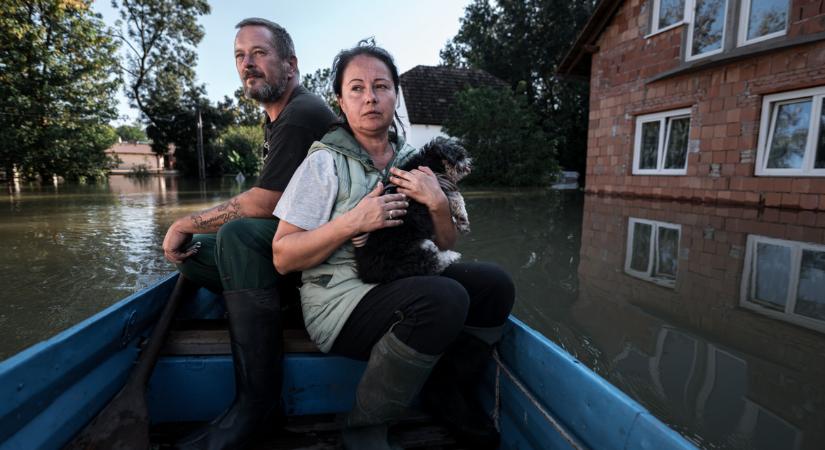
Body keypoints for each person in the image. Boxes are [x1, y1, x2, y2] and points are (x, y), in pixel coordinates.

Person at [271, 41, 515, 450]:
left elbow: (446, 241)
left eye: (381, 86)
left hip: (405, 276)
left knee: (495, 286)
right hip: (340, 301)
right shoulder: (324, 162)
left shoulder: (414, 160)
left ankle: (445, 390)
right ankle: (364, 427)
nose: (370, 97)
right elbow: (283, 256)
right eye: (357, 88)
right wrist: (354, 221)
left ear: (395, 96)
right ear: (341, 102)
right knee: (444, 298)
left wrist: (437, 201)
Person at [161, 18, 337, 449]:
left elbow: (264, 203)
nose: (247, 64)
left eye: (259, 53)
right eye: (240, 56)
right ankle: (270, 311)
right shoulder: (279, 118)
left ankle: (257, 404)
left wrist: (183, 221)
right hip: (300, 253)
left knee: (234, 236)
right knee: (201, 250)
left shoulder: (301, 114)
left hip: (331, 261)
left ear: (290, 64)